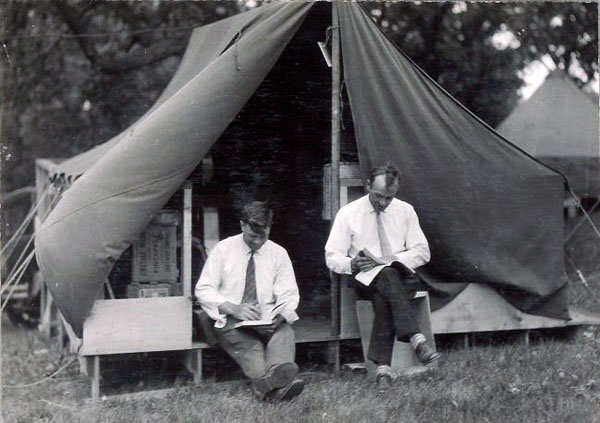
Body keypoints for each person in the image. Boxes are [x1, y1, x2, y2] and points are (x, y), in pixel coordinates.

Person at [325, 164, 440, 394]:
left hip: (401, 278)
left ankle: (383, 371)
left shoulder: (405, 211)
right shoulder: (348, 213)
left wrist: (390, 259)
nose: (383, 203)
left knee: (386, 285)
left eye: (389, 197)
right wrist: (352, 263)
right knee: (386, 278)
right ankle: (416, 338)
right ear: (367, 185)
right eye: (378, 196)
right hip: (365, 279)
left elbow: (422, 252)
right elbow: (331, 256)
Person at [195, 201, 304, 401]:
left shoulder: (278, 253)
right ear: (242, 225)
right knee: (251, 349)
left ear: (270, 227)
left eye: (263, 236)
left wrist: (280, 317)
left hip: (267, 319)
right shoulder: (223, 250)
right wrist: (233, 308)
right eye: (253, 236)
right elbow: (203, 289)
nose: (257, 242)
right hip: (231, 320)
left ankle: (270, 383)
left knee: (284, 334)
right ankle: (279, 385)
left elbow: (289, 293)